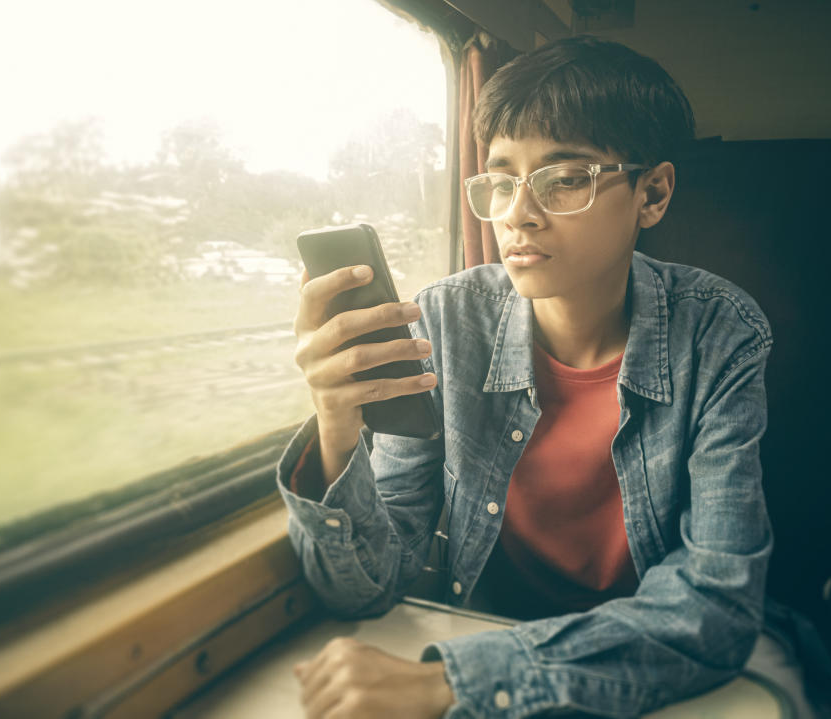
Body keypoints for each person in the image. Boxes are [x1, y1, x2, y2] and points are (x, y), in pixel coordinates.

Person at [280, 35, 774, 718]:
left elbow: (717, 604)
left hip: (639, 670)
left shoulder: (719, 332)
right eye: (502, 180)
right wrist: (337, 419)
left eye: (564, 178)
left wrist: (453, 683)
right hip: (489, 635)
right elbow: (366, 587)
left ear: (652, 193)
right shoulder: (445, 322)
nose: (518, 211)